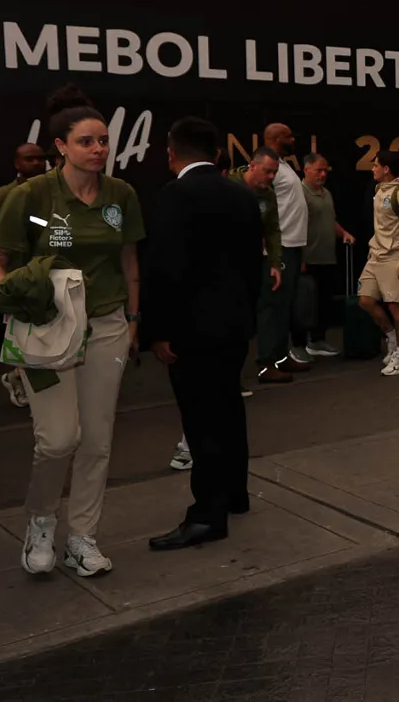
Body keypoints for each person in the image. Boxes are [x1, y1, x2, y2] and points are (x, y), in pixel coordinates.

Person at [0, 85, 144, 578]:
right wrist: (18, 295)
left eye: (104, 141)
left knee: (97, 439)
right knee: (58, 440)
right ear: (61, 146)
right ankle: (40, 521)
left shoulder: (121, 196)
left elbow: (129, 261)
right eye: (86, 142)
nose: (98, 149)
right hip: (49, 332)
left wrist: (134, 320)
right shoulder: (31, 196)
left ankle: (82, 536)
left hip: (107, 326)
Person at [146, 117, 263, 550]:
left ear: (172, 153)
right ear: (216, 153)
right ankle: (235, 493)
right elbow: (253, 265)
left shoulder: (174, 197)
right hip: (233, 326)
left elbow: (163, 269)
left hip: (191, 329)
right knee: (229, 409)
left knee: (201, 420)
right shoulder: (242, 195)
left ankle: (207, 514)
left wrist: (157, 331)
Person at [0, 143, 48, 407]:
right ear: (17, 163)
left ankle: (20, 377)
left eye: (41, 158)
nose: (38, 163)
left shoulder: (49, 196)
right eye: (30, 159)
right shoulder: (0, 198)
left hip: (44, 280)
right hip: (13, 280)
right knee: (20, 336)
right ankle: (22, 381)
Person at [359, 149, 399, 376]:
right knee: (365, 300)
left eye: (376, 165)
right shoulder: (378, 190)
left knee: (396, 307)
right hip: (375, 256)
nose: (373, 168)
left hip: (396, 258)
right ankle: (394, 339)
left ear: (386, 169)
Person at [255, 123, 311, 377]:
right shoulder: (269, 167)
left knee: (285, 304)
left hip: (293, 244)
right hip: (280, 245)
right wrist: (265, 244)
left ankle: (280, 356)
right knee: (272, 304)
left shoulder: (285, 165)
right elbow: (260, 204)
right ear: (277, 139)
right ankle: (266, 361)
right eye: (289, 136)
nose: (293, 140)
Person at [228, 147, 286, 381]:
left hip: (253, 261)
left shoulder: (267, 193)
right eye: (267, 171)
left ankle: (265, 364)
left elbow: (272, 230)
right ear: (252, 166)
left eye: (274, 173)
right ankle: (229, 378)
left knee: (261, 310)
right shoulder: (228, 186)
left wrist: (275, 262)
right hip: (226, 264)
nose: (271, 177)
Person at [291, 153, 354, 362]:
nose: (323, 174)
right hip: (307, 259)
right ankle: (298, 345)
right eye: (318, 170)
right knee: (302, 305)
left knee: (323, 304)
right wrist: (298, 257)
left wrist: (343, 233)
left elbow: (330, 220)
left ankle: (317, 341)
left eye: (326, 169)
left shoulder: (326, 193)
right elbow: (293, 226)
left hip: (327, 257)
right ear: (306, 169)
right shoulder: (299, 193)